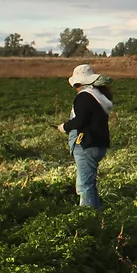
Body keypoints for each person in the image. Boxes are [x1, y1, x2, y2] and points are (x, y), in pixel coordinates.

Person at [57, 64, 114, 209]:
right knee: (90, 183)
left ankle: (87, 219)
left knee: (84, 186)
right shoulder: (99, 96)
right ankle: (96, 212)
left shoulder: (84, 97)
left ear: (79, 83)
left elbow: (81, 120)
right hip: (99, 144)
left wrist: (64, 127)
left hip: (87, 144)